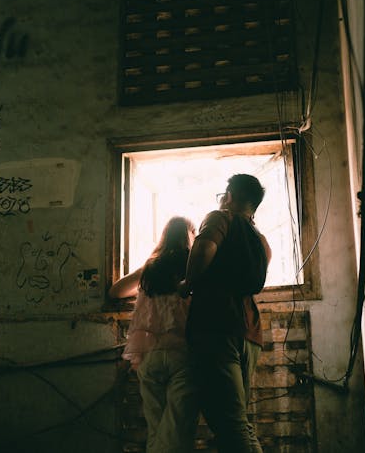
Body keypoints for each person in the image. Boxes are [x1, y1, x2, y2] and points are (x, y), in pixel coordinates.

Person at [182, 174, 272, 453]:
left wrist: (187, 283)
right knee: (235, 420)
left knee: (230, 422)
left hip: (217, 326)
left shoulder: (220, 218)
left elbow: (203, 251)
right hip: (250, 333)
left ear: (230, 196)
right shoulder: (261, 241)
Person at [109, 216, 199, 453]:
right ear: (190, 235)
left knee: (156, 426)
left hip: (151, 359)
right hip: (183, 356)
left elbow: (116, 291)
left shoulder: (151, 267)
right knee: (177, 429)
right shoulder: (193, 268)